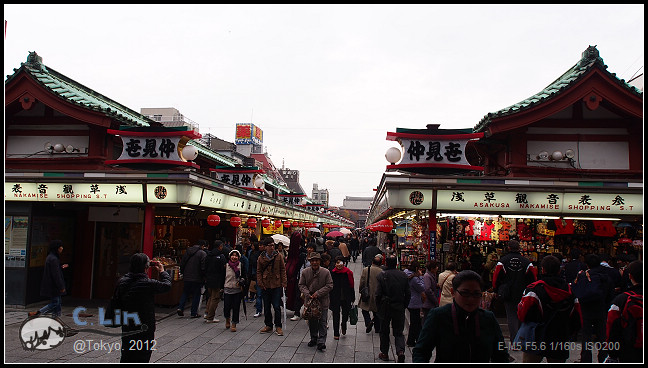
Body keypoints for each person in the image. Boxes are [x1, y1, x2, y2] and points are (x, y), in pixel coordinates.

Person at [413, 270, 510, 363]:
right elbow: (421, 352)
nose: (471, 299)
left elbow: (501, 354)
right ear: (453, 292)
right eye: (465, 293)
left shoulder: (488, 318)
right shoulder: (439, 316)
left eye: (476, 294)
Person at [516, 255, 582, 363]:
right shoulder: (569, 291)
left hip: (536, 337)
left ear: (543, 269)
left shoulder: (534, 289)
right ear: (559, 270)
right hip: (560, 337)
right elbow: (577, 316)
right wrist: (569, 332)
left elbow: (522, 313)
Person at [116, 253, 171, 363]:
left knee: (127, 354)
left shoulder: (122, 281)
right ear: (146, 267)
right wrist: (162, 271)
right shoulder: (148, 284)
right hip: (145, 326)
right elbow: (167, 285)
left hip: (128, 324)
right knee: (142, 356)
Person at [492, 240, 537, 342]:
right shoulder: (527, 262)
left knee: (511, 316)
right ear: (519, 248)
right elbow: (533, 278)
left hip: (508, 292)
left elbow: (496, 277)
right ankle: (521, 339)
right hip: (523, 292)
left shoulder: (503, 261)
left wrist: (496, 290)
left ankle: (514, 340)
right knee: (522, 314)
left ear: (508, 248)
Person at [573, 253, 614, 363]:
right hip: (601, 309)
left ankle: (586, 358)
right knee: (602, 335)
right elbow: (610, 295)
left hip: (586, 309)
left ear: (587, 264)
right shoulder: (605, 277)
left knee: (586, 335)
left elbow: (577, 291)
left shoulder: (583, 276)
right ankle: (603, 357)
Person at [375, 255, 410, 363]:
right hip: (399, 306)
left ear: (386, 263)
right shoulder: (403, 275)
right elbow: (408, 293)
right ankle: (400, 351)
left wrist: (378, 306)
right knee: (398, 331)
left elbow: (378, 294)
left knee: (384, 330)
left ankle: (384, 353)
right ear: (396, 263)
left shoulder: (382, 275)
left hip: (385, 306)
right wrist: (404, 305)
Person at [606, 260, 642, 363]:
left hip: (628, 350)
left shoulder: (621, 300)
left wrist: (612, 353)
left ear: (630, 276)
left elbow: (611, 327)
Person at [299, 252, 333, 351]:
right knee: (312, 320)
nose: (314, 262)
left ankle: (321, 341)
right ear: (310, 262)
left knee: (322, 321)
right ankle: (314, 337)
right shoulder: (305, 272)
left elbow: (329, 285)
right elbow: (301, 285)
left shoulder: (326, 272)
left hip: (322, 300)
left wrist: (318, 293)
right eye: (312, 260)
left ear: (319, 261)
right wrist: (307, 293)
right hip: (310, 301)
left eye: (316, 260)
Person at [29, 240, 68, 317]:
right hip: (53, 286)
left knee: (58, 303)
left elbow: (54, 271)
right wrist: (61, 287)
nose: (62, 248)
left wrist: (60, 267)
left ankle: (56, 319)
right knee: (55, 303)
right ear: (56, 248)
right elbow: (56, 275)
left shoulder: (51, 257)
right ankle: (38, 313)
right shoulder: (53, 259)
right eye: (60, 247)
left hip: (52, 285)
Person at [257, 237, 287, 336]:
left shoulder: (278, 256)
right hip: (266, 284)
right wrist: (260, 283)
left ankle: (278, 326)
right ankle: (268, 325)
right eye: (270, 246)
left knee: (276, 306)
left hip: (276, 284)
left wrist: (284, 282)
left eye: (273, 245)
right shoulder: (261, 257)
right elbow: (259, 271)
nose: (272, 247)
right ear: (265, 247)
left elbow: (283, 269)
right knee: (266, 306)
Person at [177, 240, 207, 318]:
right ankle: (193, 312)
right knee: (196, 294)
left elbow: (182, 263)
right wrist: (204, 276)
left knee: (185, 292)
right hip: (197, 277)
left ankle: (180, 307)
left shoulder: (188, 251)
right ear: (202, 246)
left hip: (187, 276)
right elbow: (203, 267)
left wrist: (182, 272)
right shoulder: (202, 253)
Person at [329, 256, 355, 340]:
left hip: (346, 297)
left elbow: (351, 285)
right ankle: (336, 333)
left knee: (345, 314)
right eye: (337, 263)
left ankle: (344, 325)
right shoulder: (332, 273)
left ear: (344, 263)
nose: (339, 265)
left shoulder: (348, 272)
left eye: (340, 263)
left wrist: (352, 297)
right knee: (335, 314)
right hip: (335, 297)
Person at [359, 254, 384, 334]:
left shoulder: (366, 270)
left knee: (364, 310)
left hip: (368, 292)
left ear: (372, 262)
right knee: (376, 311)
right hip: (377, 294)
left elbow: (362, 281)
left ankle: (368, 322)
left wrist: (361, 290)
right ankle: (377, 328)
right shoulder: (382, 272)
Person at [223, 249, 247, 332]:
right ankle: (227, 319)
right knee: (227, 307)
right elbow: (222, 277)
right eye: (233, 255)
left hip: (237, 290)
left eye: (236, 255)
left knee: (236, 307)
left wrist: (242, 281)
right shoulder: (226, 266)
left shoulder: (241, 265)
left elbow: (244, 276)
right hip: (227, 288)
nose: (234, 257)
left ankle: (234, 323)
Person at [204, 240, 226, 323]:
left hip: (209, 278)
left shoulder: (208, 255)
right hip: (217, 279)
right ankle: (210, 317)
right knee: (215, 298)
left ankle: (207, 313)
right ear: (220, 246)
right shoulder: (221, 256)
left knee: (210, 296)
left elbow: (205, 267)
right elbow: (223, 269)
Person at [404, 262, 425, 347]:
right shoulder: (415, 279)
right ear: (416, 269)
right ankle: (411, 341)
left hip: (409, 300)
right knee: (415, 322)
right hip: (414, 301)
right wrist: (421, 277)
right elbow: (422, 288)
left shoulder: (405, 272)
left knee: (416, 322)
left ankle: (418, 338)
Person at [286, 231, 305, 321]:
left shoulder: (298, 253)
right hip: (297, 276)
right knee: (298, 294)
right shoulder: (299, 252)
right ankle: (297, 311)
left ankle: (301, 311)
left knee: (299, 294)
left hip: (300, 276)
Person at [247, 239, 263, 317]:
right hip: (258, 276)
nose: (260, 247)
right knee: (259, 294)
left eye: (261, 245)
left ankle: (265, 310)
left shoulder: (270, 255)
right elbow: (252, 265)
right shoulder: (256, 255)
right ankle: (258, 310)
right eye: (259, 245)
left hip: (268, 278)